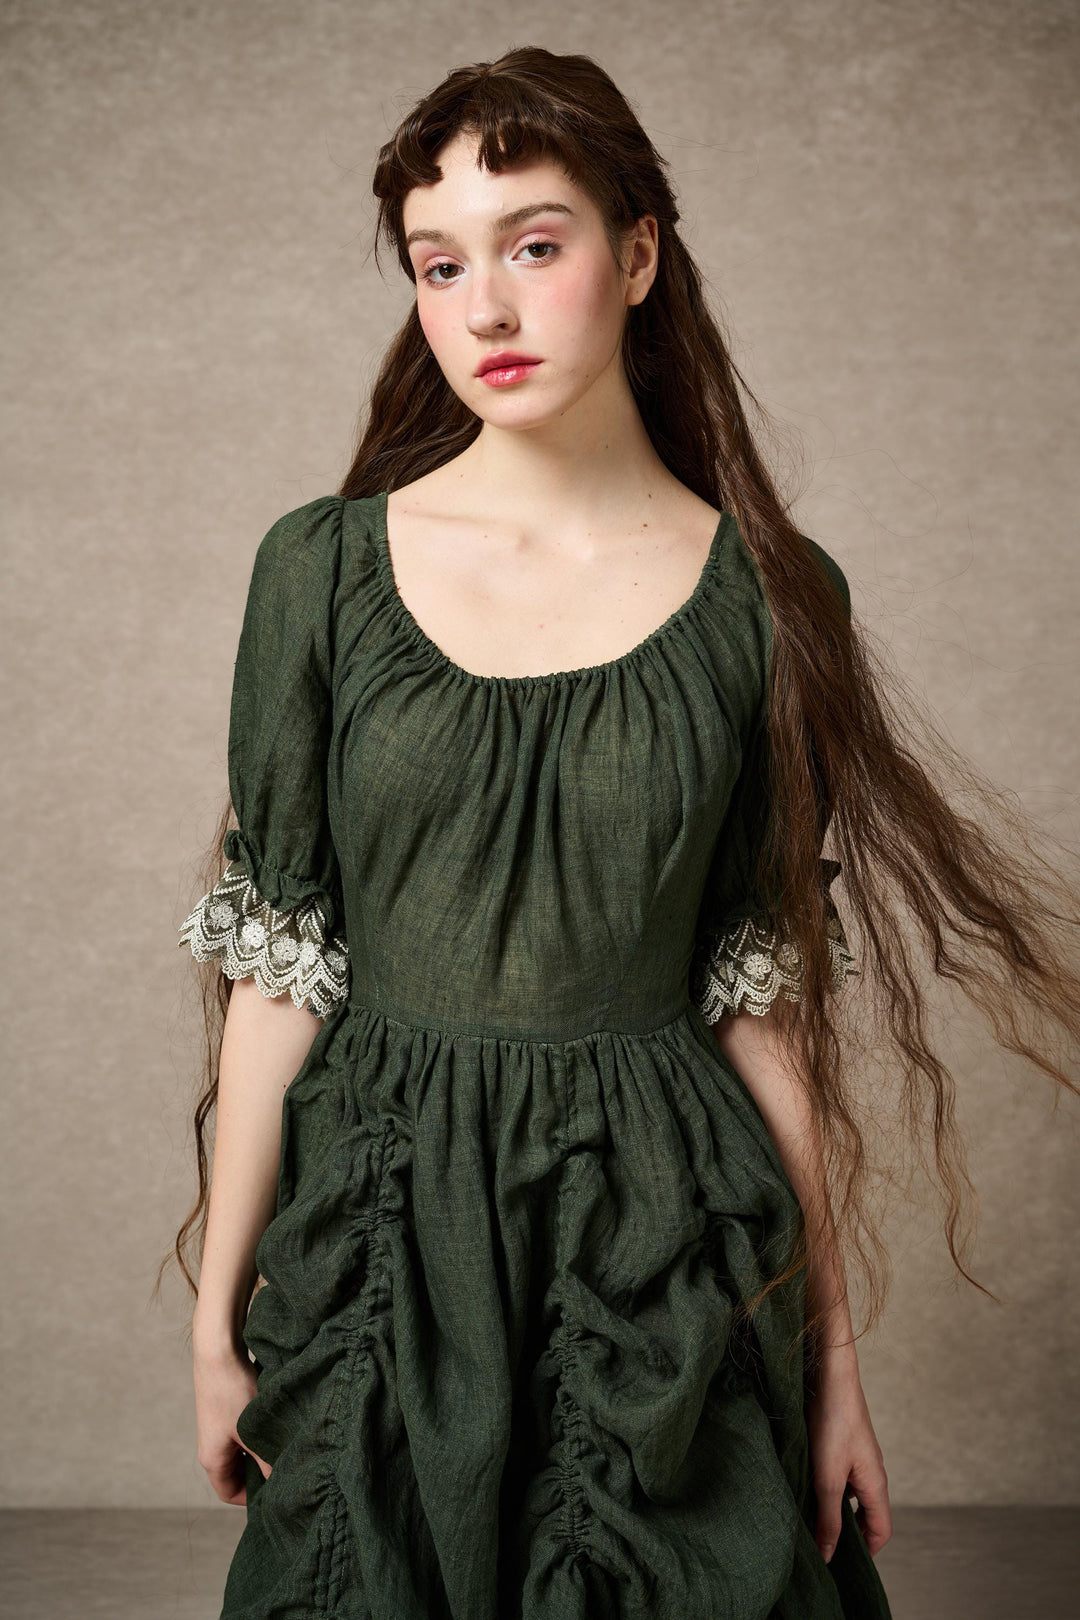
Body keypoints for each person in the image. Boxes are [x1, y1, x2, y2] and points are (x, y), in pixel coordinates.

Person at [165, 46, 1080, 1620]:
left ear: (640, 253)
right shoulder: (316, 572)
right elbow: (280, 974)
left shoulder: (772, 601)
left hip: (660, 1251)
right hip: (385, 1242)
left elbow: (764, 1003)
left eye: (535, 244)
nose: (486, 310)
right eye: (440, 265)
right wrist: (213, 1321)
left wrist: (834, 1368)